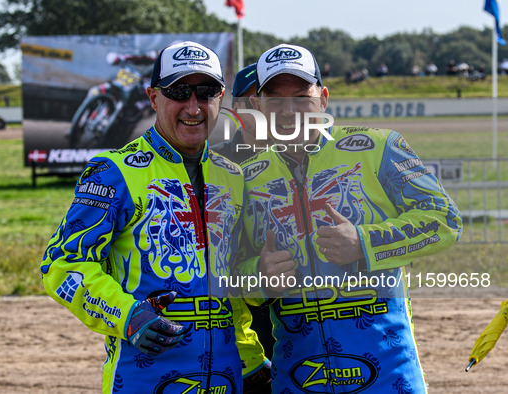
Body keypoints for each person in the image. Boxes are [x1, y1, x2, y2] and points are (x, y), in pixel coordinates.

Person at [237, 43, 462, 392]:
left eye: (301, 96)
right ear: (256, 106)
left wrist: (366, 242)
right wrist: (258, 276)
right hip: (297, 376)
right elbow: (230, 278)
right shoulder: (247, 179)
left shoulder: (379, 147)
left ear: (323, 99)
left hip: (387, 373)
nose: (289, 110)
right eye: (275, 99)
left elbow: (445, 219)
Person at [41, 40, 256, 394]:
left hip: (225, 378)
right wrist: (126, 315)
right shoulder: (113, 171)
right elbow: (62, 264)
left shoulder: (233, 176)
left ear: (221, 99)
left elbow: (231, 288)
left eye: (206, 92)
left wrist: (250, 359)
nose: (193, 106)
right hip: (144, 376)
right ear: (154, 98)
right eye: (178, 91)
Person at [212, 63, 276, 367]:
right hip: (238, 299)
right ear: (236, 107)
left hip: (296, 295)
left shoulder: (304, 155)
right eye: (253, 100)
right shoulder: (213, 161)